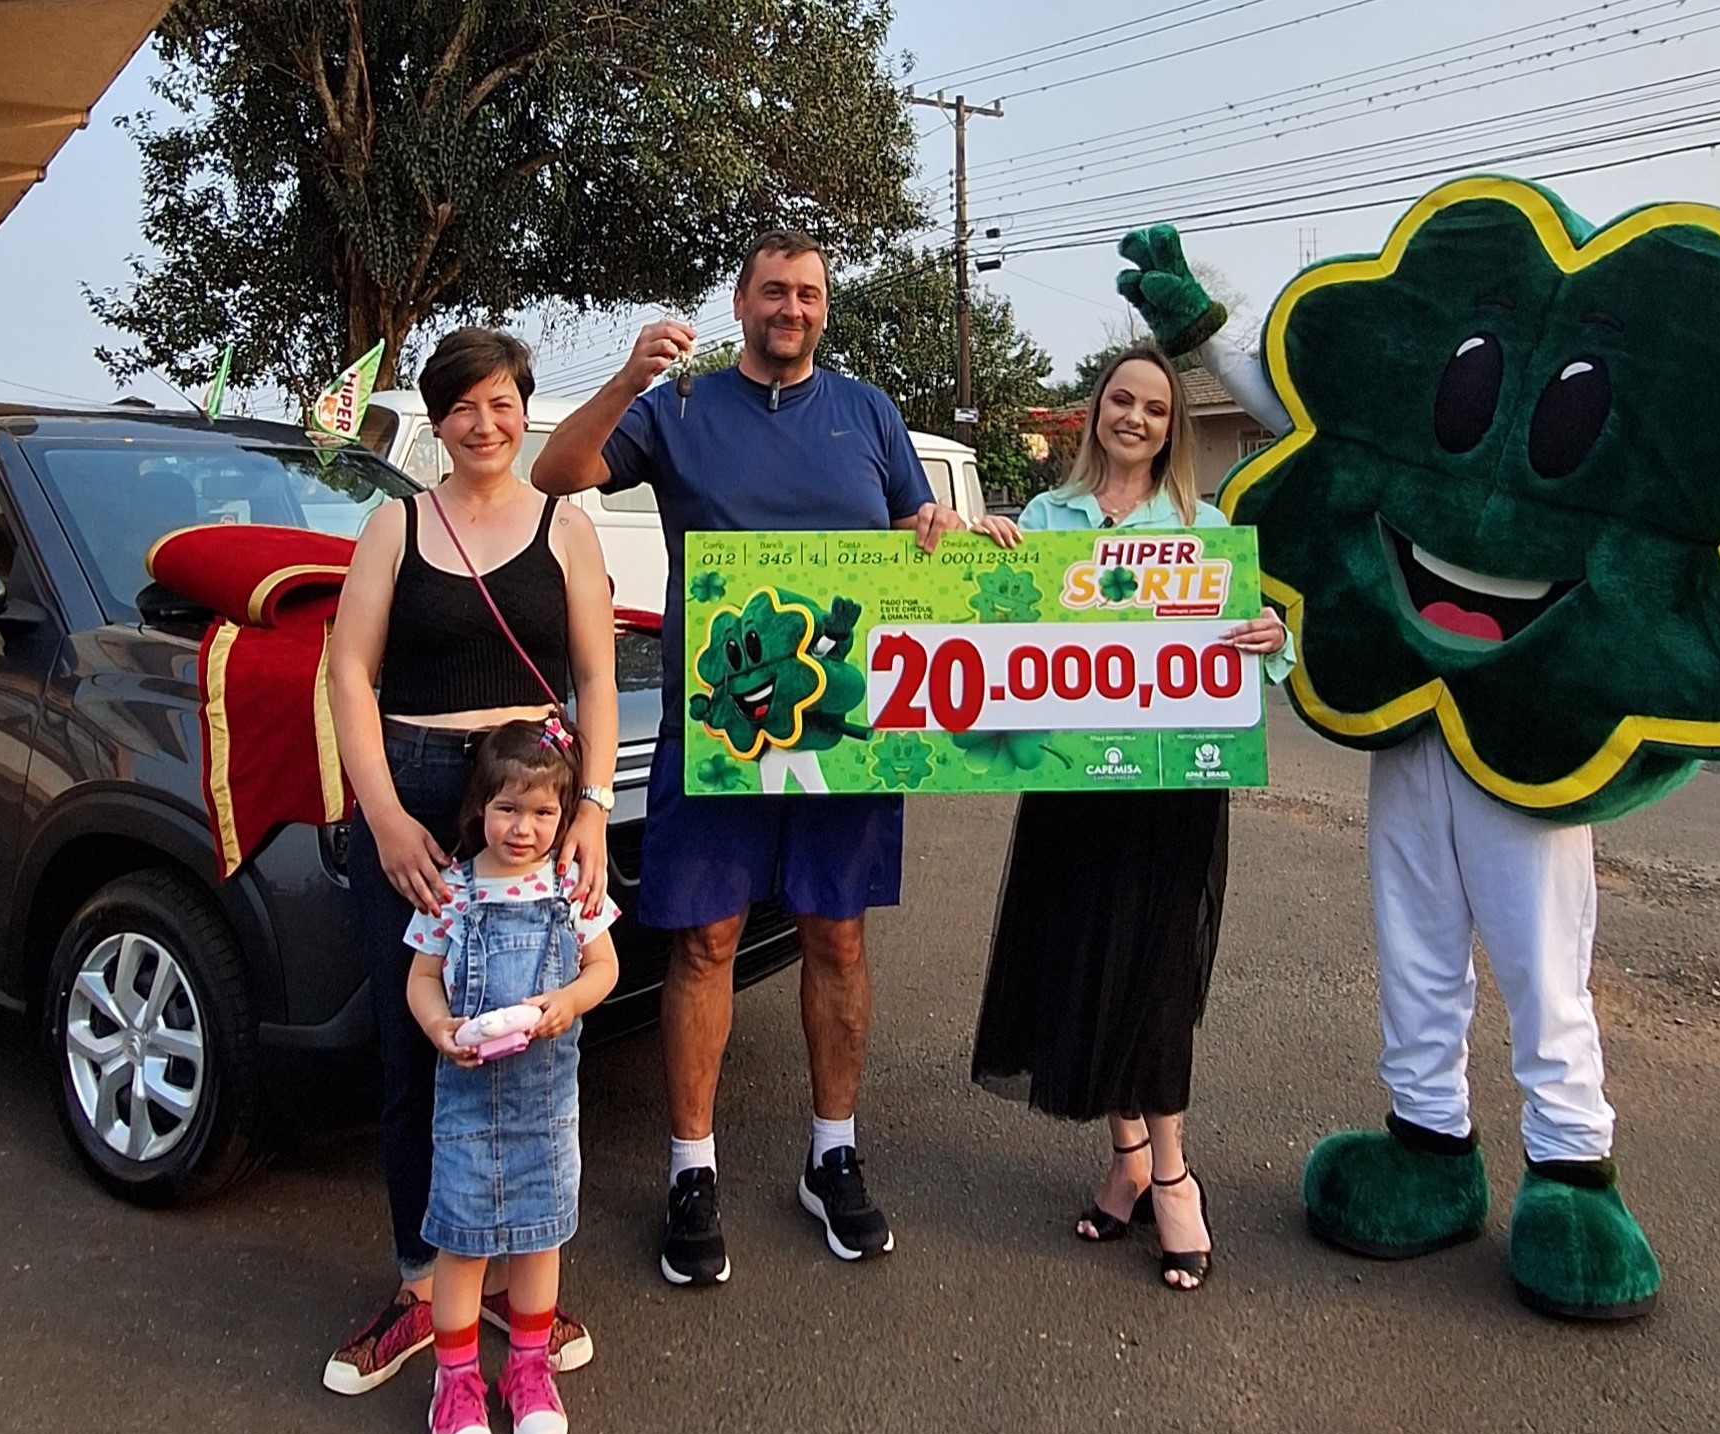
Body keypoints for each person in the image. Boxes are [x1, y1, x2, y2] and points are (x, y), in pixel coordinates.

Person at [532, 229, 991, 1285]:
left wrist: (937, 529)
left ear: (825, 309)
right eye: (774, 291)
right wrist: (627, 373)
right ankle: (691, 1168)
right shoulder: (678, 408)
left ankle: (832, 1152)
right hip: (719, 721)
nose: (792, 308)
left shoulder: (868, 412)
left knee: (835, 937)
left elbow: (907, 540)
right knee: (705, 944)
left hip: (845, 723)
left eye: (810, 293)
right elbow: (559, 477)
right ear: (739, 303)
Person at [321, 328, 619, 1397]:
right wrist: (388, 814)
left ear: (523, 406)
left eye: (501, 402)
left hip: (535, 795)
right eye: (462, 407)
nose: (484, 424)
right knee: (421, 1045)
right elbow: (348, 675)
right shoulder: (393, 523)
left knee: (535, 1046)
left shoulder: (565, 527)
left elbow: (593, 671)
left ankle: (504, 1278)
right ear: (436, 419)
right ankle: (419, 1280)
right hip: (412, 784)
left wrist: (588, 808)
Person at [968, 345, 1285, 1292]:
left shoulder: (1206, 526)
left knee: (1154, 973)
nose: (1136, 418)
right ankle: (1130, 1157)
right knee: (1087, 962)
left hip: (1171, 792)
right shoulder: (1041, 520)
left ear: (1171, 426)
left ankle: (1173, 1172)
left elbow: (1253, 656)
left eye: (1154, 407)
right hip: (1074, 784)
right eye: (1121, 400)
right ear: (1096, 409)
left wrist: (1274, 637)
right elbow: (997, 626)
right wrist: (977, 563)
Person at [403, 720, 621, 1434]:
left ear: (563, 819)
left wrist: (569, 1001)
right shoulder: (453, 889)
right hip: (464, 1100)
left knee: (539, 1235)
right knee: (462, 1243)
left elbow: (605, 966)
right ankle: (456, 1382)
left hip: (545, 1103)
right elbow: (422, 975)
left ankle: (529, 1365)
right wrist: (439, 1027)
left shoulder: (570, 887)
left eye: (541, 814)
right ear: (479, 809)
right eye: (507, 809)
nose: (522, 828)